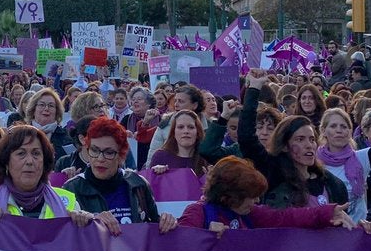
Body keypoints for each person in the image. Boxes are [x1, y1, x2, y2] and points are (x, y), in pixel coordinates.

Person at [238, 70, 359, 215]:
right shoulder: (272, 172)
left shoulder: (332, 184)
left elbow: (344, 225)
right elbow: (246, 138)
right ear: (283, 145)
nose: (309, 145)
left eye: (312, 139)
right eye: (300, 139)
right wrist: (254, 89)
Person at [178, 156, 359, 232]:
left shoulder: (251, 213)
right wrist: (202, 239)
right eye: (251, 195)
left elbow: (287, 217)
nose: (257, 200)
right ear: (230, 195)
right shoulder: (197, 213)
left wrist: (326, 212)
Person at [65, 118, 176, 234]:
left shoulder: (138, 184)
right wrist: (92, 220)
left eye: (109, 153)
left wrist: (166, 222)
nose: (100, 158)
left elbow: (153, 229)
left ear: (121, 155)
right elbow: (64, 237)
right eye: (94, 150)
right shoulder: (72, 188)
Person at [0, 125, 93, 223]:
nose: (30, 161)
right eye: (21, 153)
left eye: (36, 153)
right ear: (6, 161)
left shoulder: (69, 204)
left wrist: (86, 226)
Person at [147, 109, 210, 176]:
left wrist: (211, 180)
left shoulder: (207, 158)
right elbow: (150, 184)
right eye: (180, 127)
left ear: (197, 132)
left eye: (191, 127)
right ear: (173, 132)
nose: (186, 131)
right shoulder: (160, 157)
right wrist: (154, 173)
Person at [25, 88, 73, 157]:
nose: (46, 108)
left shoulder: (67, 137)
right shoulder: (22, 134)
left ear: (57, 111)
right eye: (42, 105)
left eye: (51, 106)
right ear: (33, 109)